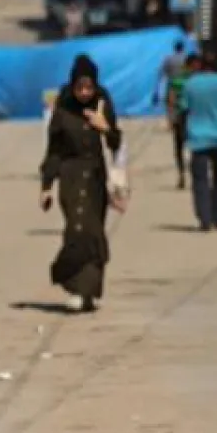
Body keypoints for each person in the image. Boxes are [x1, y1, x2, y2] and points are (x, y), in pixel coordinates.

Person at [41, 56, 122, 313]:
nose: (84, 93)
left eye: (89, 88)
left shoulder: (102, 103)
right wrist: (46, 186)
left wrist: (104, 127)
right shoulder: (63, 108)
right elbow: (54, 150)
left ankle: (89, 290)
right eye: (80, 88)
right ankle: (75, 284)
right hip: (71, 176)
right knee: (77, 229)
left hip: (97, 176)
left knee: (94, 232)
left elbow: (116, 142)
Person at [179, 52, 217, 231]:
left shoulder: (190, 84)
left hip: (197, 137)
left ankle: (204, 217)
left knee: (200, 180)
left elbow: (184, 107)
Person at [160, 40, 190, 189]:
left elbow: (161, 74)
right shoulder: (187, 60)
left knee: (177, 144)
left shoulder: (169, 59)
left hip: (173, 92)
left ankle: (181, 172)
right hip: (186, 93)